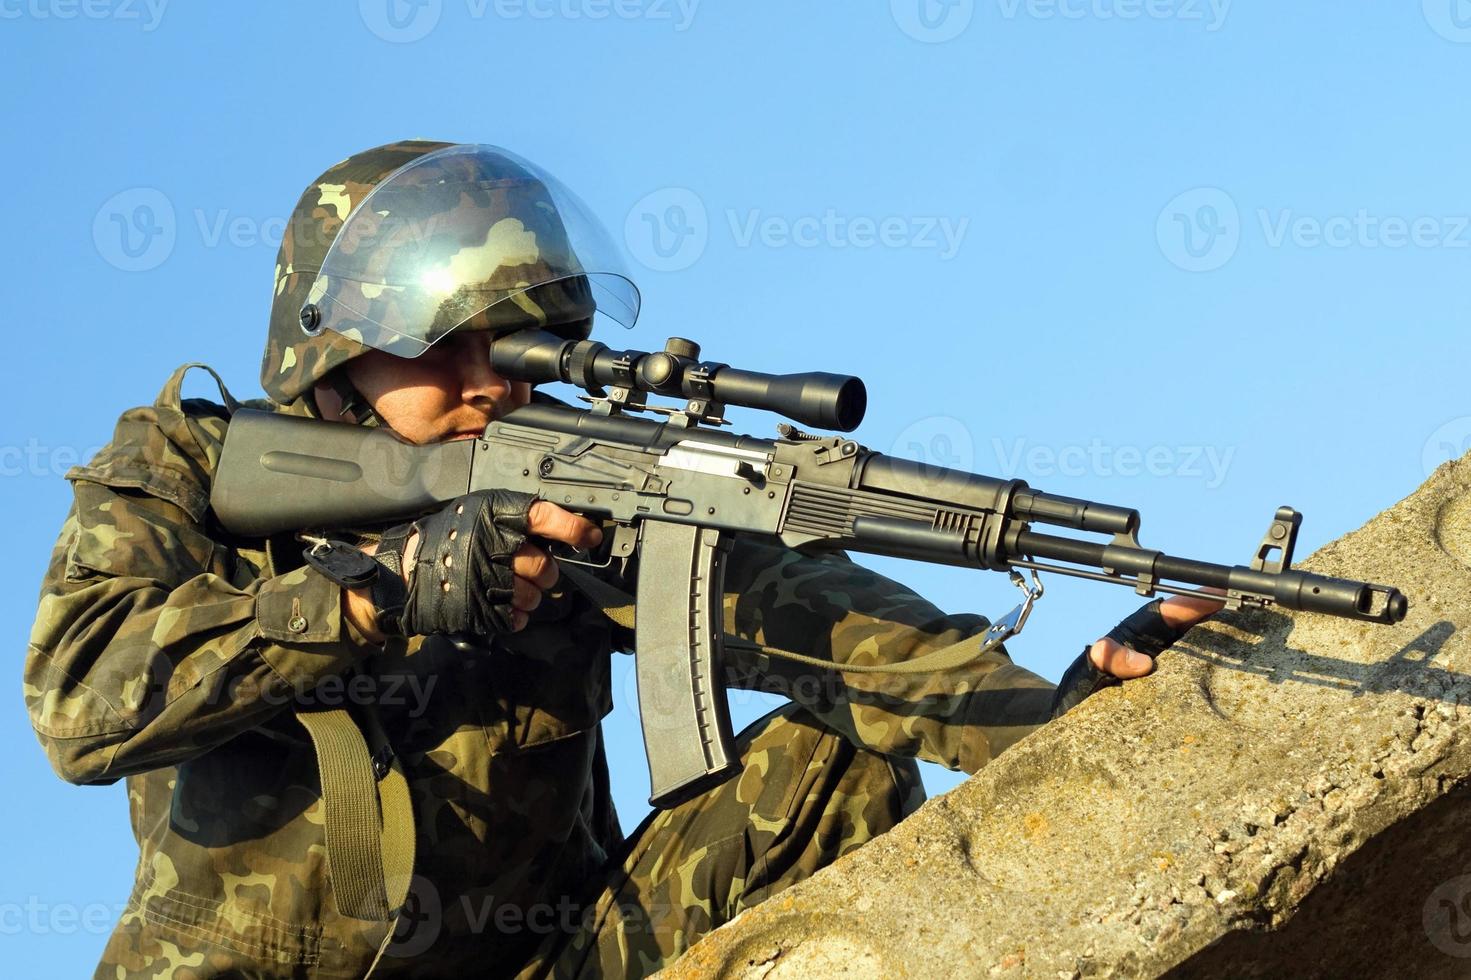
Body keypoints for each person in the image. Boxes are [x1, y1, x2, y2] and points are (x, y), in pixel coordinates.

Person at [25, 141, 1221, 979]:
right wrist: (380, 593)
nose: (490, 379)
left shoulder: (572, 488)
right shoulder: (193, 460)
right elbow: (78, 698)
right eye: (451, 344)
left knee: (831, 765)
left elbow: (841, 638)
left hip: (555, 959)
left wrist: (1059, 727)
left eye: (521, 344)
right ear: (335, 351)